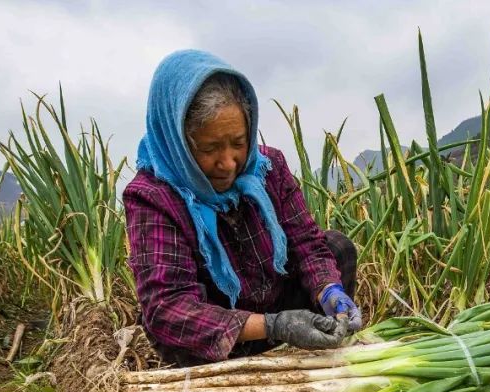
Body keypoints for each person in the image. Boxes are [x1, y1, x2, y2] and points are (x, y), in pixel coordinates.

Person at [124, 49, 363, 365]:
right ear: (178, 140)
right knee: (172, 326)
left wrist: (330, 292)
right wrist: (274, 325)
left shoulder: (268, 166)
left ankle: (309, 348)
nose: (228, 163)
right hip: (221, 337)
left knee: (336, 248)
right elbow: (168, 307)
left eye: (238, 143)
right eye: (209, 149)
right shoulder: (151, 196)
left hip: (278, 308)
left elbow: (307, 244)